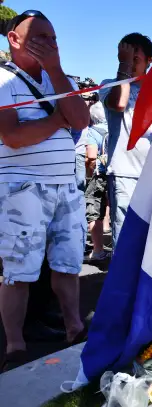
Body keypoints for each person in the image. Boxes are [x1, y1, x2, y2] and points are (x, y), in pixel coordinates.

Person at [0, 10, 89, 370]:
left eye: (52, 38)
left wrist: (54, 69)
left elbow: (81, 121)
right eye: (39, 37)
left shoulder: (58, 77)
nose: (49, 44)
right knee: (18, 272)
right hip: (21, 188)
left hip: (65, 186)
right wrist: (56, 120)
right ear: (13, 39)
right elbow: (13, 136)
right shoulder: (3, 79)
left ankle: (75, 328)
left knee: (68, 264)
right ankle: (15, 346)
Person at [100, 33, 152, 248]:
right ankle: (122, 282)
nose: (129, 64)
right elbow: (119, 103)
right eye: (124, 58)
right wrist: (124, 66)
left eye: (135, 59)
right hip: (124, 173)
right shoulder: (109, 84)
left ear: (150, 60)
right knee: (125, 240)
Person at [84, 101, 110, 261]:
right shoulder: (116, 127)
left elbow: (91, 157)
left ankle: (98, 250)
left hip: (99, 174)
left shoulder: (93, 132)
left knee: (94, 210)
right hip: (116, 172)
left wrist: (88, 173)